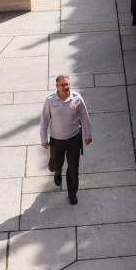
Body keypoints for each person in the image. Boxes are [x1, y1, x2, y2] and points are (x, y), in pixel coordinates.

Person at [40, 74, 93, 204]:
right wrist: (43, 138)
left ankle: (72, 193)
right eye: (62, 85)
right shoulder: (50, 100)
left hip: (74, 139)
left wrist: (88, 135)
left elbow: (84, 117)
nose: (65, 87)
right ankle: (57, 171)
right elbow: (45, 119)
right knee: (55, 164)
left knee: (73, 168)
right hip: (56, 140)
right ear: (57, 86)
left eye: (67, 84)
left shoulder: (77, 98)